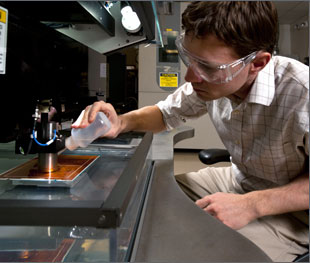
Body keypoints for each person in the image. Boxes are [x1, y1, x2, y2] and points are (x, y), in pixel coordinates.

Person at [73, 2, 309, 261]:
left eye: (207, 67)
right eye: (189, 58)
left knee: (215, 254)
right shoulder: (214, 83)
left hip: (296, 215)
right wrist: (121, 122)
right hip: (240, 180)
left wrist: (252, 205)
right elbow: (165, 114)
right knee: (150, 199)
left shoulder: (302, 93)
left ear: (257, 63)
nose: (189, 76)